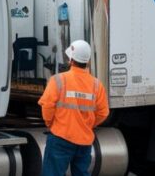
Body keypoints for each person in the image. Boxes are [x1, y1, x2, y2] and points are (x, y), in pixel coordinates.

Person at [38, 40, 109, 176]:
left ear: (71, 60)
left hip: (60, 137)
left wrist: (50, 123)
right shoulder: (96, 85)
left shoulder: (58, 80)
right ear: (88, 61)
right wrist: (87, 124)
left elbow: (47, 106)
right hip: (84, 141)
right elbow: (103, 112)